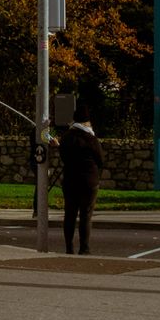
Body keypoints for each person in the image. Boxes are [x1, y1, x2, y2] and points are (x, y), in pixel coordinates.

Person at [58, 105, 104, 254]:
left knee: (70, 214)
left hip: (70, 179)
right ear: (86, 122)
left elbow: (63, 157)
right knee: (86, 214)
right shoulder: (91, 139)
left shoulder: (66, 138)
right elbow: (100, 160)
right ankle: (84, 248)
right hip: (89, 180)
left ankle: (69, 247)